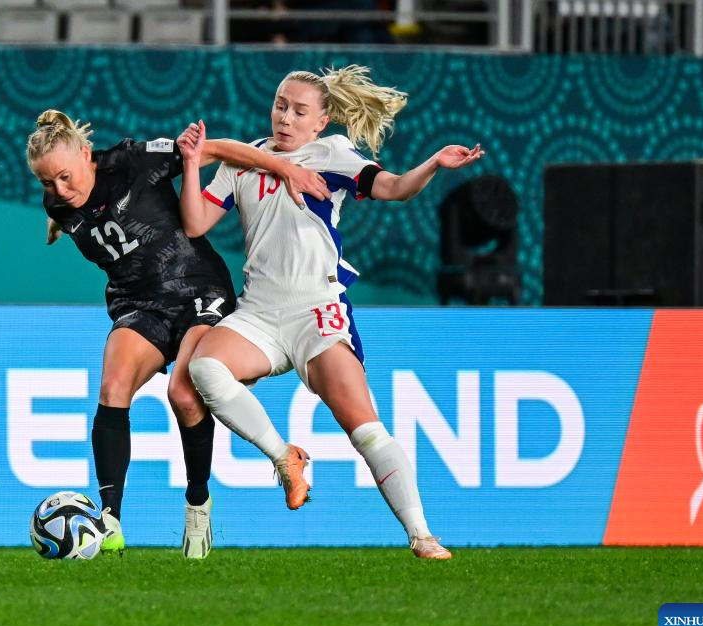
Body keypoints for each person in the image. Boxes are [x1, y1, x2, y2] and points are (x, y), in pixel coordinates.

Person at [176, 65, 484, 560]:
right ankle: (285, 458)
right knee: (205, 369)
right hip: (258, 313)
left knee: (364, 428)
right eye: (281, 105)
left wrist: (431, 163)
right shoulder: (243, 161)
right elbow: (195, 223)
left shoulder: (332, 154)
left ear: (321, 123)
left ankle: (422, 534)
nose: (286, 118)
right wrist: (193, 164)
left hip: (316, 311)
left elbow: (395, 188)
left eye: (300, 111)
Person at [25, 110, 328, 559]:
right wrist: (57, 223)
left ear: (86, 154)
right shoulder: (58, 203)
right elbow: (78, 215)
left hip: (197, 289)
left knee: (183, 394)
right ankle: (110, 519)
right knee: (113, 386)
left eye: (65, 177)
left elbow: (216, 150)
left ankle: (197, 505)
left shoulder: (133, 160)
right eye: (48, 182)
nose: (60, 189)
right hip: (137, 302)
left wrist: (285, 168)